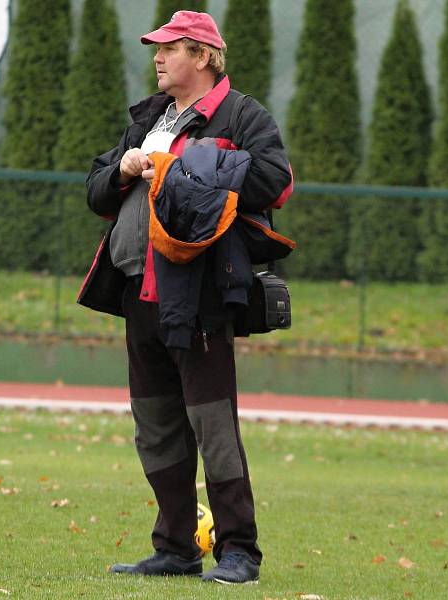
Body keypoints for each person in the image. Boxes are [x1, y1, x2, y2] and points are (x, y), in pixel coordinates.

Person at [77, 10, 293, 585]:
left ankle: (239, 552)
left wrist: (182, 166)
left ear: (202, 56)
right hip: (136, 292)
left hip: (196, 292)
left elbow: (276, 181)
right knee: (156, 426)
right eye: (156, 48)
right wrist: (124, 169)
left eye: (168, 48)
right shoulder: (149, 118)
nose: (156, 57)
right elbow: (95, 191)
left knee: (211, 424)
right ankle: (175, 547)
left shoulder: (243, 115)